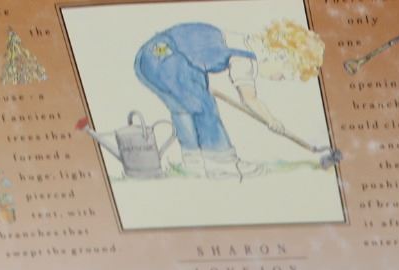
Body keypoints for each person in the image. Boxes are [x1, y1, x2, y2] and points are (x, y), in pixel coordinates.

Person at [132, 19, 326, 179]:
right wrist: (271, 120)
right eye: (282, 75)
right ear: (281, 55)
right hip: (168, 56)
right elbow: (249, 99)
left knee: (183, 108)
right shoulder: (247, 56)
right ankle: (222, 162)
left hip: (152, 55)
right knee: (204, 106)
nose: (278, 79)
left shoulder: (246, 41)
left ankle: (193, 162)